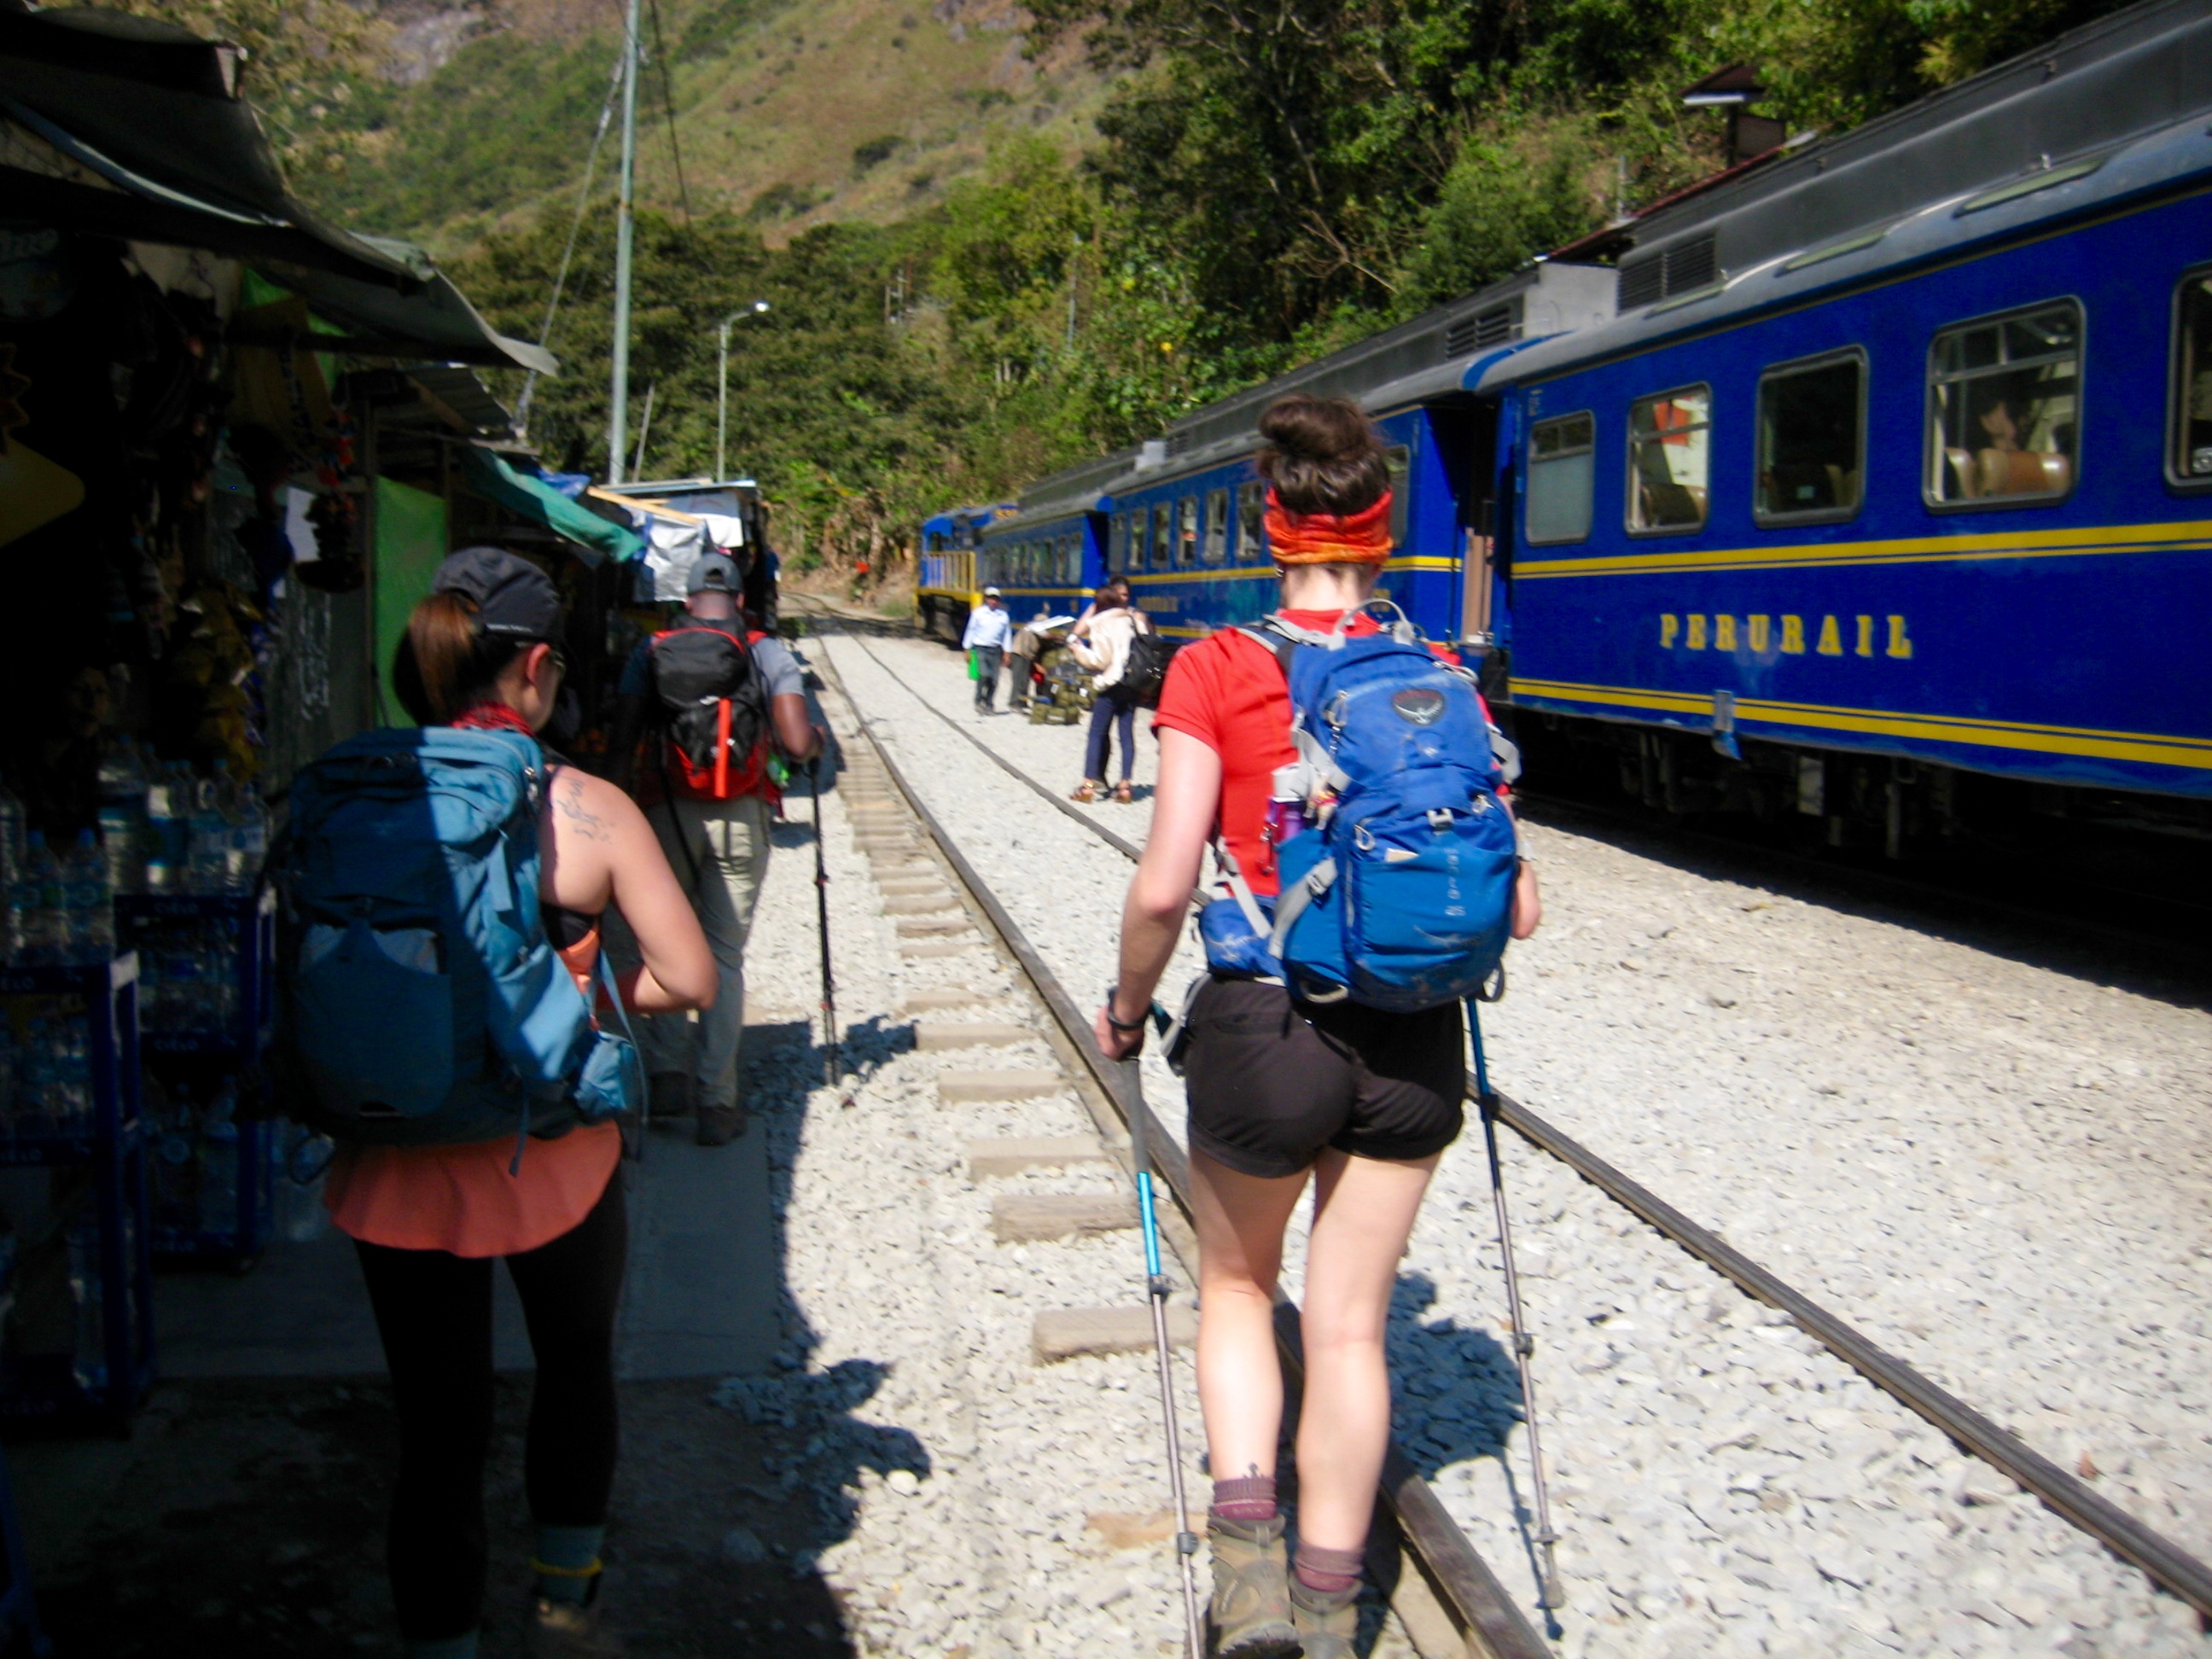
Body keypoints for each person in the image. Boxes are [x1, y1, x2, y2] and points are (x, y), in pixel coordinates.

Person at [1093, 396, 1541, 1659]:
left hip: (1262, 1028)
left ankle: (1247, 1592)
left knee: (1239, 1288)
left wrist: (1127, 1011)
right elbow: (1523, 902)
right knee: (1351, 1325)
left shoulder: (1216, 664)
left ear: (1269, 525)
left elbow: (1165, 885)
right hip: (1413, 1039)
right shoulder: (1444, 673)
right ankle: (1334, 1602)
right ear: (1386, 534)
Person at [330, 547, 717, 1659]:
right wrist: (577, 989)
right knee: (574, 1365)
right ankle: (562, 1606)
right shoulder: (585, 808)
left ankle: (444, 1641)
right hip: (549, 1154)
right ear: (539, 668)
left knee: (436, 1430)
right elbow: (688, 980)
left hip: (392, 1149)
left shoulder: (356, 782)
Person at [608, 550, 824, 1145]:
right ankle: (717, 1101)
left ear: (685, 603)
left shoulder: (651, 651)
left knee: (662, 946)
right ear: (738, 600)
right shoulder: (765, 649)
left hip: (663, 814)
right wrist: (815, 743)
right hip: (740, 811)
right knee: (723, 955)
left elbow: (622, 741)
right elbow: (796, 740)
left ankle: (667, 1075)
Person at [1068, 576, 1146, 805]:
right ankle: (1125, 787)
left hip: (1111, 684)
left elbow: (1100, 661)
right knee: (1126, 735)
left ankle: (1088, 786)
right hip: (1132, 685)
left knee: (1096, 733)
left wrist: (1079, 651)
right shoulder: (1132, 620)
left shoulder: (1102, 624)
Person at [961, 585, 1012, 713]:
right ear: (986, 599)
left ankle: (989, 703)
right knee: (984, 675)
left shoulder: (1003, 616)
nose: (993, 601)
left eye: (996, 599)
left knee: (994, 680)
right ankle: (979, 700)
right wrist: (966, 649)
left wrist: (1007, 652)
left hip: (996, 650)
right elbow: (971, 630)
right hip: (980, 648)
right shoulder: (978, 614)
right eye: (991, 598)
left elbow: (1006, 635)